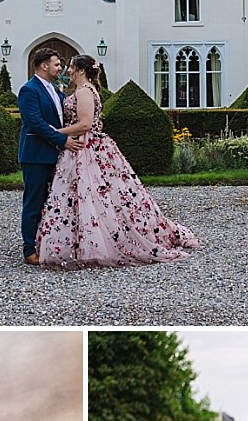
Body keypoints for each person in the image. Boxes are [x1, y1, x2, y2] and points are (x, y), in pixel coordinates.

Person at [35, 54, 198, 266]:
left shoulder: (84, 92)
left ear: (82, 70)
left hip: (86, 148)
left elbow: (85, 124)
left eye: (72, 68)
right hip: (81, 147)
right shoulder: (83, 90)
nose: (69, 71)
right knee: (86, 196)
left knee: (91, 193)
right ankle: (82, 239)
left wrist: (56, 132)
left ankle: (98, 241)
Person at [17, 46, 68, 264]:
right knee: (34, 202)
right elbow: (35, 122)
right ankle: (29, 250)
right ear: (44, 66)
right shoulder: (29, 90)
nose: (60, 68)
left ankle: (45, 241)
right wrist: (63, 140)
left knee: (52, 202)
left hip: (53, 154)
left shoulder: (56, 90)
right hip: (36, 155)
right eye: (56, 64)